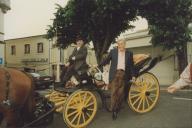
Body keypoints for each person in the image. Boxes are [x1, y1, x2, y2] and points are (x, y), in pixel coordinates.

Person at [99, 39, 136, 119]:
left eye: (122, 44)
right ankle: (113, 109)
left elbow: (131, 66)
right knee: (113, 92)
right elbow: (106, 60)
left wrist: (133, 76)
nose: (120, 46)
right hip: (115, 74)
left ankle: (117, 108)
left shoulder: (129, 53)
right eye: (119, 44)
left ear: (125, 44)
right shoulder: (113, 51)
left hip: (124, 75)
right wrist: (98, 65)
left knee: (120, 93)